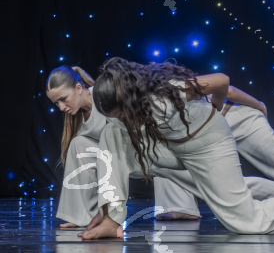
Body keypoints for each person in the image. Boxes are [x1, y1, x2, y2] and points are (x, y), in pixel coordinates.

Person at [78, 58, 274, 239]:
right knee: (111, 133)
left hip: (209, 146)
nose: (122, 119)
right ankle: (111, 219)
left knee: (244, 221)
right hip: (170, 149)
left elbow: (222, 80)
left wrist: (216, 106)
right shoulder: (119, 113)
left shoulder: (168, 92)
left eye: (122, 113)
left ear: (131, 98)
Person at [46, 65, 198, 227]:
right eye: (56, 103)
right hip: (119, 156)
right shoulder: (76, 116)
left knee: (158, 141)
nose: (61, 107)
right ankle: (82, 215)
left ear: (78, 88)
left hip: (144, 147)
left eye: (63, 99)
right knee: (78, 143)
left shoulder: (105, 94)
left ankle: (180, 204)